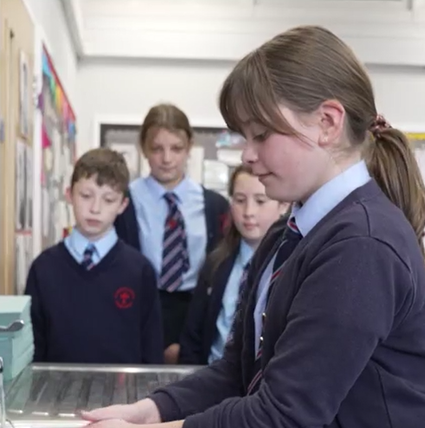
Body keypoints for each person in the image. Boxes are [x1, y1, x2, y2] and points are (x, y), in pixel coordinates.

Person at [33, 26, 425, 428]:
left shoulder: (361, 247)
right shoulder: (291, 231)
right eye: (243, 136)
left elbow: (279, 417)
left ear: (327, 123)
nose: (246, 154)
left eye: (261, 135)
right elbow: (240, 372)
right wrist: (146, 411)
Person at [25, 148, 163, 365]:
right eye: (86, 196)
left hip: (124, 396)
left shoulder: (139, 270)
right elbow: (32, 350)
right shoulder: (43, 268)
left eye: (108, 199)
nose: (95, 209)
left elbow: (152, 352)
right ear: (69, 194)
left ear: (122, 205)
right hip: (54, 395)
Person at [114, 104, 230, 363]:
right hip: (140, 308)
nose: (167, 159)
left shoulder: (215, 206)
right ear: (143, 148)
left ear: (189, 146)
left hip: (195, 310)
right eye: (157, 149)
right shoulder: (124, 203)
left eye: (176, 148)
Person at [178, 167, 287, 365]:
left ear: (283, 205)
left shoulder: (289, 268)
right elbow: (192, 337)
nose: (248, 212)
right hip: (210, 379)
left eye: (260, 201)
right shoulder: (216, 263)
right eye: (239, 200)